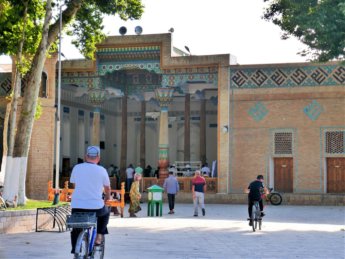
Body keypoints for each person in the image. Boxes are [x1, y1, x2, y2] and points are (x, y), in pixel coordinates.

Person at [69, 146, 111, 254]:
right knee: (106, 212)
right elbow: (107, 188)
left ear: (86, 156)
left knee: (76, 227)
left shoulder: (77, 168)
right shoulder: (102, 170)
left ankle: (75, 249)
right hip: (95, 207)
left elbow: (74, 185)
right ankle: (99, 236)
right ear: (98, 158)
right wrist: (107, 197)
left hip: (77, 205)